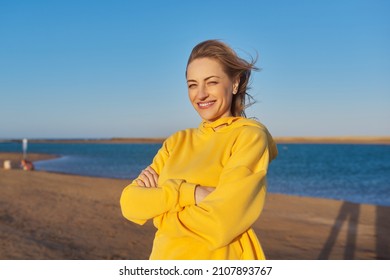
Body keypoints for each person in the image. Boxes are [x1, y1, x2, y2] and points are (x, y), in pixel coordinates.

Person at [120, 39, 278, 260]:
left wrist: (160, 215)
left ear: (235, 83)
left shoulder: (249, 137)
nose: (200, 94)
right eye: (192, 84)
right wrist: (192, 193)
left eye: (211, 82)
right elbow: (129, 204)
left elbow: (220, 222)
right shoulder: (177, 142)